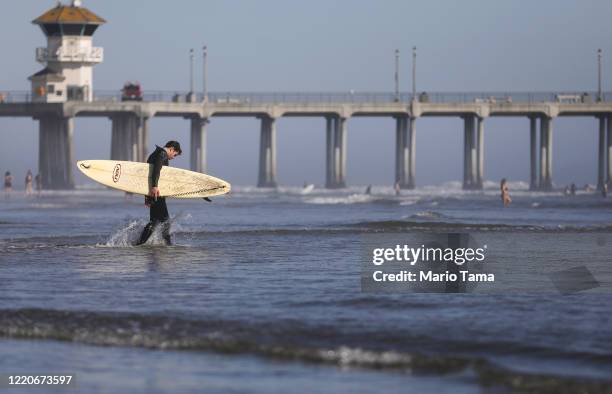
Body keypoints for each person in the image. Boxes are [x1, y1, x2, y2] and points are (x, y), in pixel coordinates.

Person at [136, 141, 182, 246]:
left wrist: (147, 196)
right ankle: (167, 245)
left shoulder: (154, 154)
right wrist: (155, 186)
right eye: (175, 154)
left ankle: (140, 243)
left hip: (153, 193)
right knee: (165, 221)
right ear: (171, 149)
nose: (173, 157)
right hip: (157, 193)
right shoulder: (162, 154)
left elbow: (146, 177)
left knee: (155, 221)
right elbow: (156, 170)